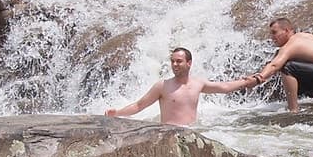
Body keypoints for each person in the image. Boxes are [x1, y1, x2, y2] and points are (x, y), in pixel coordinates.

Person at [228, 18, 313, 111]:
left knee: (288, 67)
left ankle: (293, 111)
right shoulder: (305, 36)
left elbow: (274, 65)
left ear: (286, 30)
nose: (272, 37)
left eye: (274, 32)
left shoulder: (291, 45)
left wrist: (258, 79)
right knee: (299, 75)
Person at [103, 46, 242, 126]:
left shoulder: (198, 84)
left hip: (192, 134)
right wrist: (117, 113)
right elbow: (139, 105)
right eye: (172, 61)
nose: (174, 64)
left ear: (189, 63)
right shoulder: (162, 86)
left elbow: (225, 87)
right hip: (168, 135)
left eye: (179, 61)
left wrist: (250, 81)